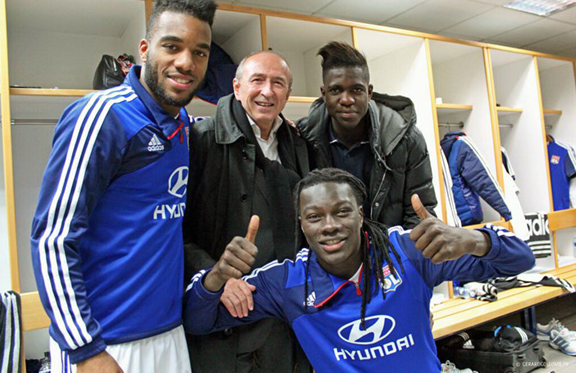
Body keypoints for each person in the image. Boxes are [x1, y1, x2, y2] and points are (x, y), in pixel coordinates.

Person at [184, 168, 536, 372]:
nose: (329, 226)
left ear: (361, 213)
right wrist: (216, 279)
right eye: (314, 217)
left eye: (341, 211)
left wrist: (474, 240)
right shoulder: (287, 283)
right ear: (301, 225)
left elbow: (522, 260)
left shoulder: (408, 252)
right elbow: (200, 321)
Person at [30, 0, 216, 372]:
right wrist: (85, 350)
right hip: (107, 344)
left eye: (200, 52)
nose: (186, 62)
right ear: (144, 49)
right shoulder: (103, 117)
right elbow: (53, 239)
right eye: (172, 46)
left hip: (168, 334)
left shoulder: (184, 127)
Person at [183, 51, 311, 372]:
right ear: (237, 88)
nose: (267, 91)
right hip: (223, 325)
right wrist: (216, 278)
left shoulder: (299, 147)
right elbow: (174, 232)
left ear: (287, 95)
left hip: (283, 326)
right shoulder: (200, 141)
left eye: (278, 83)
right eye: (257, 81)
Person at [298, 41, 437, 229]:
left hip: (390, 250)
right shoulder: (302, 139)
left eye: (356, 89)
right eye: (336, 90)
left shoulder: (405, 139)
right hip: (329, 251)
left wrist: (396, 255)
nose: (346, 100)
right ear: (324, 94)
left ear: (369, 92)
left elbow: (420, 213)